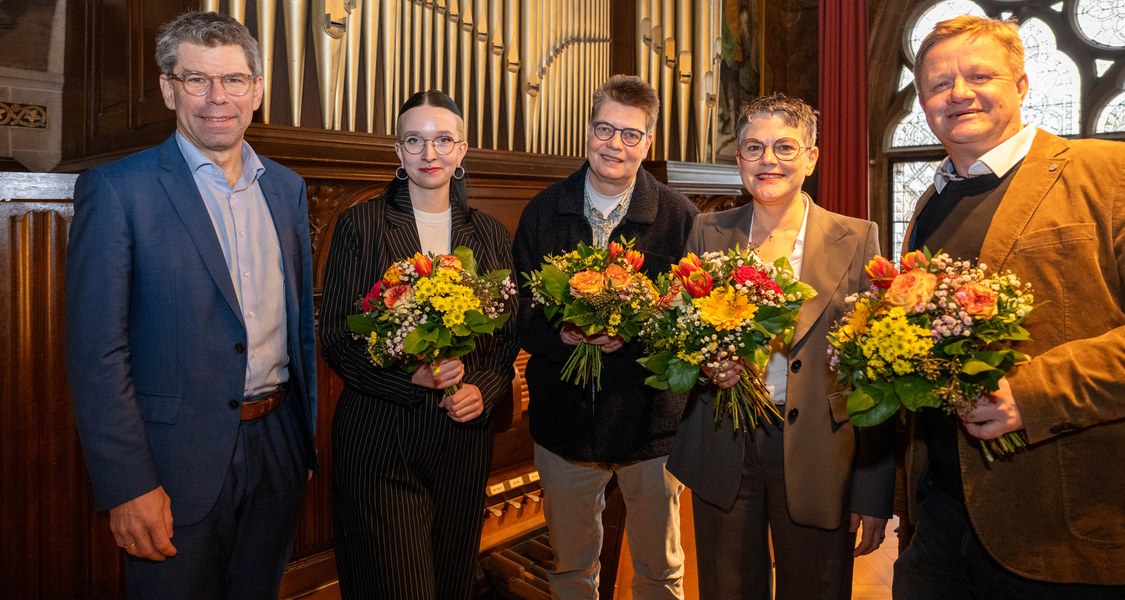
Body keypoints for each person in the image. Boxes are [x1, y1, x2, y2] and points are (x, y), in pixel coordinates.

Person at [65, 11, 317, 599]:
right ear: (167, 87)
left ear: (256, 89)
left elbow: (299, 325)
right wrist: (127, 485)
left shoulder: (286, 188)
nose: (215, 98)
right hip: (172, 464)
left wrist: (299, 445)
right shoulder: (119, 190)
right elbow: (97, 353)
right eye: (195, 79)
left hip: (277, 447)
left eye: (232, 79)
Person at [894, 15, 1125, 599]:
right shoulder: (929, 205)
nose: (959, 93)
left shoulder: (1107, 176)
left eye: (979, 75)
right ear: (923, 101)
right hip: (940, 519)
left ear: (1022, 85)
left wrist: (1033, 394)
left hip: (1059, 522)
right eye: (940, 84)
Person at [665, 93, 894, 599]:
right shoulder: (708, 231)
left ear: (812, 157)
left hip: (820, 452)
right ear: (739, 159)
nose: (769, 160)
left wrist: (874, 490)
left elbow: (873, 373)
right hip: (725, 442)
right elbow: (681, 332)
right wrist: (707, 366)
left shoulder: (857, 238)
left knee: (815, 588)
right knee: (728, 589)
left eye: (785, 147)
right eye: (754, 148)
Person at [319, 90, 519, 599]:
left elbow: (504, 340)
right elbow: (339, 338)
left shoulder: (490, 234)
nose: (430, 154)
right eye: (415, 140)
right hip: (382, 442)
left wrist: (485, 388)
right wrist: (411, 377)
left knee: (452, 587)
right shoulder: (360, 225)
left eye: (442, 140)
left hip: (462, 446)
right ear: (398, 151)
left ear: (463, 149)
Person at [512, 74, 699, 599]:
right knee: (571, 569)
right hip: (565, 426)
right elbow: (521, 312)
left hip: (650, 425)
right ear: (587, 131)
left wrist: (633, 337)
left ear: (649, 142)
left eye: (630, 134)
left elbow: (689, 321)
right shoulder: (544, 211)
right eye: (604, 129)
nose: (615, 144)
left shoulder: (679, 218)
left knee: (660, 572)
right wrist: (563, 334)